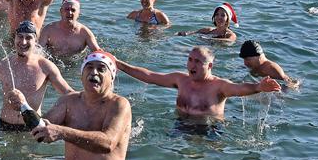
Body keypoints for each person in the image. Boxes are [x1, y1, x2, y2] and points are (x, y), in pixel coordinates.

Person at [115, 46, 280, 121]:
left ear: (209, 66)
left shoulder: (218, 86)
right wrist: (119, 64)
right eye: (189, 60)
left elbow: (238, 88)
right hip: (180, 125)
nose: (191, 65)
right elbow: (149, 76)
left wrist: (258, 87)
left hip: (209, 131)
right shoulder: (180, 79)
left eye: (197, 62)